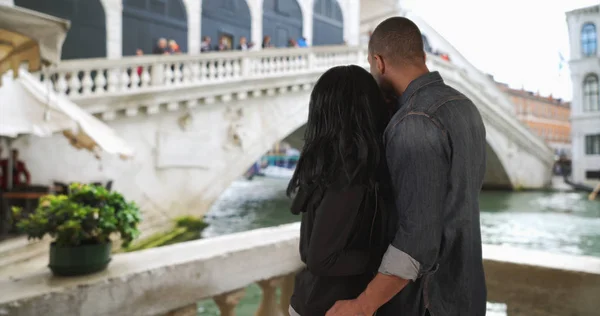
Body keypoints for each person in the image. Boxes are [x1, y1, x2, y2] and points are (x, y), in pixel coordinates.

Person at [326, 17, 487, 316]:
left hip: (426, 303)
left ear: (378, 62)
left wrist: (363, 305)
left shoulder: (413, 121)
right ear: (423, 57)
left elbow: (418, 240)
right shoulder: (465, 107)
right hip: (466, 294)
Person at [287, 65, 392, 316]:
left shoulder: (323, 164)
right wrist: (382, 259)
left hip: (310, 302)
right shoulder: (349, 174)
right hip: (331, 308)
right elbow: (320, 258)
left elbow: (307, 249)